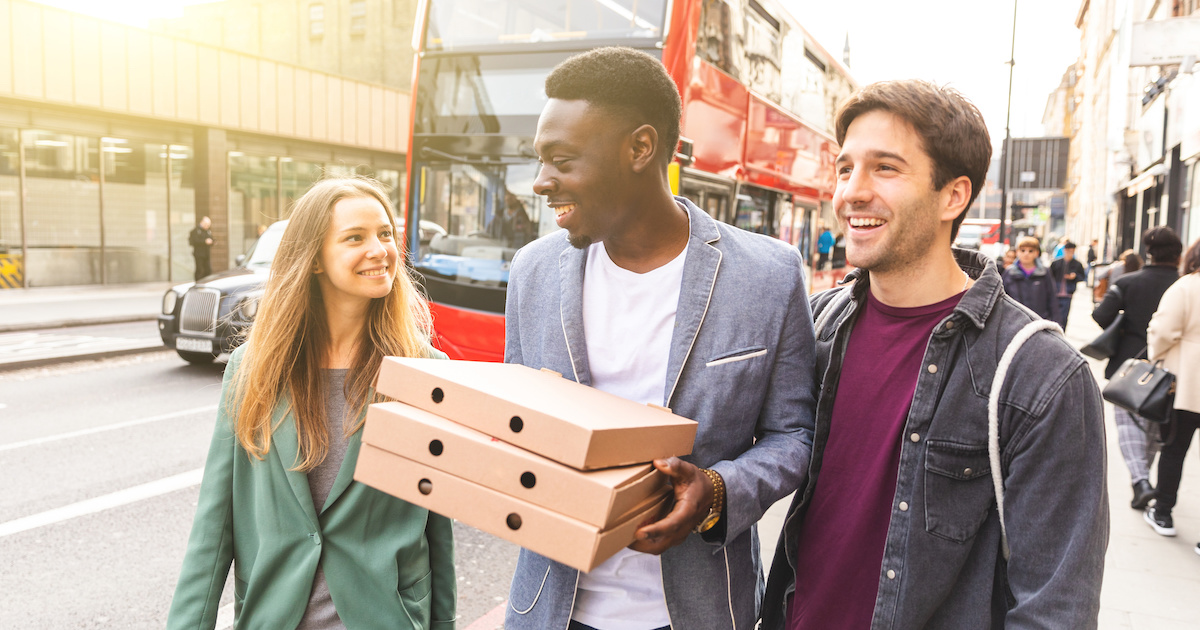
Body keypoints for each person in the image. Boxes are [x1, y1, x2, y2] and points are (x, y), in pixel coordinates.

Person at [761, 80, 1107, 629]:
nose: (851, 192)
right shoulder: (818, 324)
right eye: (846, 168)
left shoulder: (1041, 375)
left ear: (953, 195)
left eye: (886, 168)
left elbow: (1055, 606)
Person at [504, 47, 816, 630]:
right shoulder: (532, 271)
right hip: (551, 608)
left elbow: (793, 434)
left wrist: (718, 490)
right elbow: (516, 425)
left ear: (640, 149)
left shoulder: (769, 275)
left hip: (697, 612)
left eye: (562, 160)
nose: (542, 182)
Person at [167, 178, 456, 629]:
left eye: (384, 233)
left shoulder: (425, 371)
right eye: (354, 238)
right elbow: (214, 524)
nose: (380, 250)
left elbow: (436, 525)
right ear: (315, 259)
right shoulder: (252, 369)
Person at [1092, 226, 1182, 511]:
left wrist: (1123, 327)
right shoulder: (1183, 284)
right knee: (1154, 427)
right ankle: (1142, 483)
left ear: (1148, 252)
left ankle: (1141, 482)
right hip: (1171, 368)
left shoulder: (1128, 283)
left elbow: (1100, 315)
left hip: (1129, 365)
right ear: (1179, 254)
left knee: (1129, 424)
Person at [1146, 237, 1200, 543]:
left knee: (1175, 448)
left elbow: (1164, 330)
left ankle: (1163, 511)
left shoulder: (1186, 286)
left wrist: (1158, 355)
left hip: (1188, 381)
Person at [1002, 235, 1060, 322]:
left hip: (1039, 321)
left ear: (1036, 253)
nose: (1026, 254)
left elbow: (1052, 298)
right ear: (1017, 252)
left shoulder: (1044, 272)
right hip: (1014, 321)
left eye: (1030, 251)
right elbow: (1002, 298)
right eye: (1023, 250)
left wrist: (1056, 323)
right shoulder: (1009, 272)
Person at [1049, 240, 1086, 330]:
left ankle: (1062, 332)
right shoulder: (1056, 263)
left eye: (1072, 251)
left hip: (1068, 293)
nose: (1070, 253)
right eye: (1068, 251)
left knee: (1064, 316)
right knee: (1052, 314)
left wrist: (1075, 277)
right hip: (1055, 292)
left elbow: (1083, 277)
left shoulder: (1077, 264)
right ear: (1065, 250)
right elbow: (1050, 276)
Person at [189, 216, 214, 281]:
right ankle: (198, 283)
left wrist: (212, 241)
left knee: (208, 270)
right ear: (202, 222)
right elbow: (193, 241)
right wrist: (204, 241)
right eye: (206, 225)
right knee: (199, 270)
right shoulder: (196, 231)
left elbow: (211, 238)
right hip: (199, 254)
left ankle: (206, 282)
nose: (207, 226)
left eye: (208, 225)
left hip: (206, 254)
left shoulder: (208, 231)